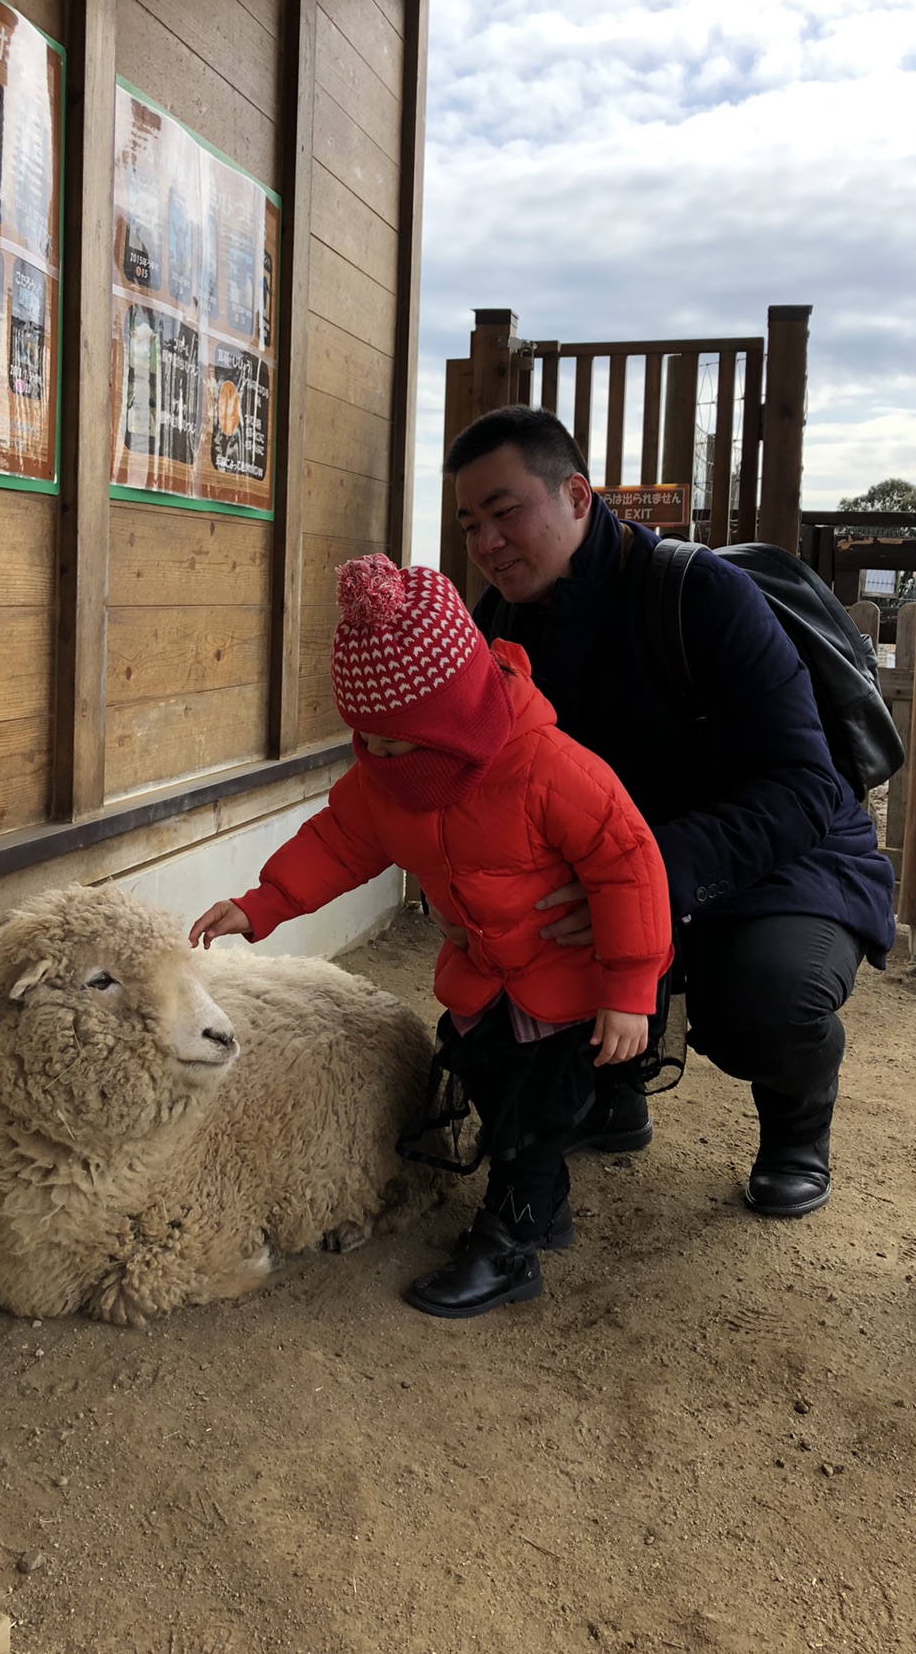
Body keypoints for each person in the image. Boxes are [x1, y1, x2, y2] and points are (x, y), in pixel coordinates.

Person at [189, 553, 673, 1319]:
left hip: (565, 988)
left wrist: (629, 989)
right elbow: (340, 839)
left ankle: (509, 1245)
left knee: (529, 1118)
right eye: (366, 743)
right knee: (488, 1083)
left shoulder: (551, 770)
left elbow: (630, 867)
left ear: (457, 719)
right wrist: (263, 904)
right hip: (486, 975)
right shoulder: (388, 780)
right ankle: (544, 1211)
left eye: (397, 743)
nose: (377, 759)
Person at [444, 404, 897, 1217]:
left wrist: (644, 878)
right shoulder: (498, 625)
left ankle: (798, 1117)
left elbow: (804, 787)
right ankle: (609, 1098)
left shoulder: (699, 595)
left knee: (761, 1001)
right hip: (612, 866)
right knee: (520, 933)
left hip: (778, 863)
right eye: (471, 523)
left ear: (577, 496)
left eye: (505, 512)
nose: (485, 543)